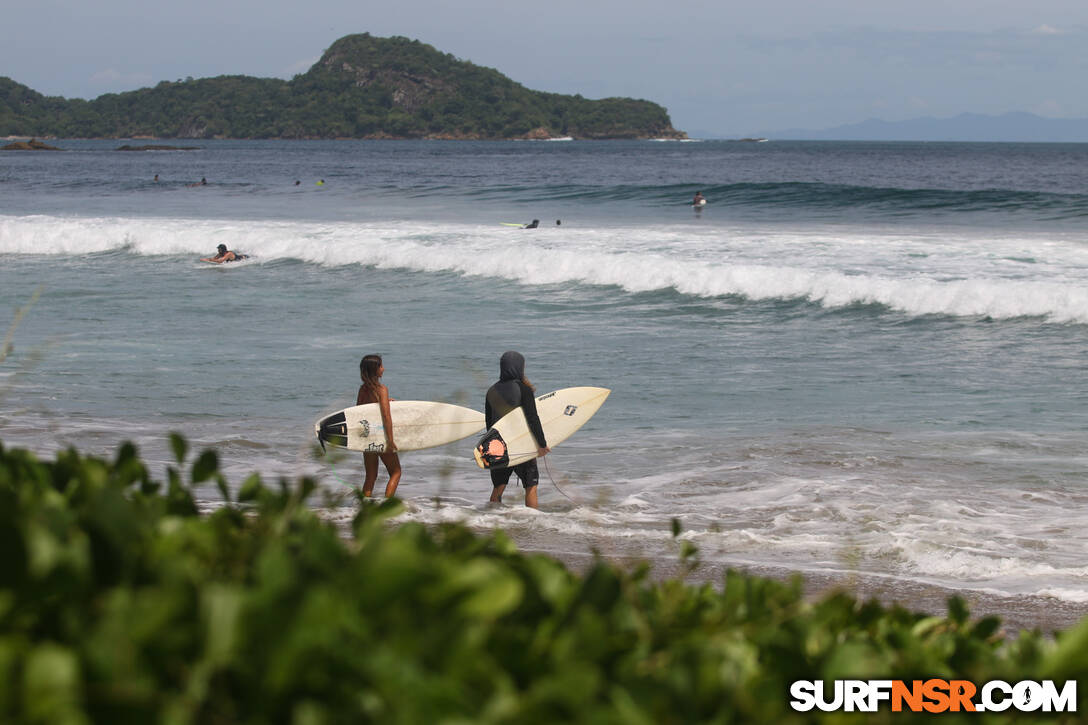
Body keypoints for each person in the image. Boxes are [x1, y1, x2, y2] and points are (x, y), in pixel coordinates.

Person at [484, 351, 549, 508]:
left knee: (498, 487)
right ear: (520, 367)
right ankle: (533, 523)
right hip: (519, 445)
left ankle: (490, 520)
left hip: (497, 447)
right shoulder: (524, 390)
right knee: (531, 486)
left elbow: (489, 424)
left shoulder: (491, 391)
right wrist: (542, 444)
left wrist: (491, 449)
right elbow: (532, 418)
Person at [356, 354, 401, 498]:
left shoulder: (363, 390)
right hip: (381, 436)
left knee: (370, 476)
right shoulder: (382, 390)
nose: (384, 369)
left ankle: (363, 507)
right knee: (396, 472)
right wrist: (390, 441)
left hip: (368, 437)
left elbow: (358, 412)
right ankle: (386, 506)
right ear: (375, 370)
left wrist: (384, 401)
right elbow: (386, 418)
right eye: (381, 366)